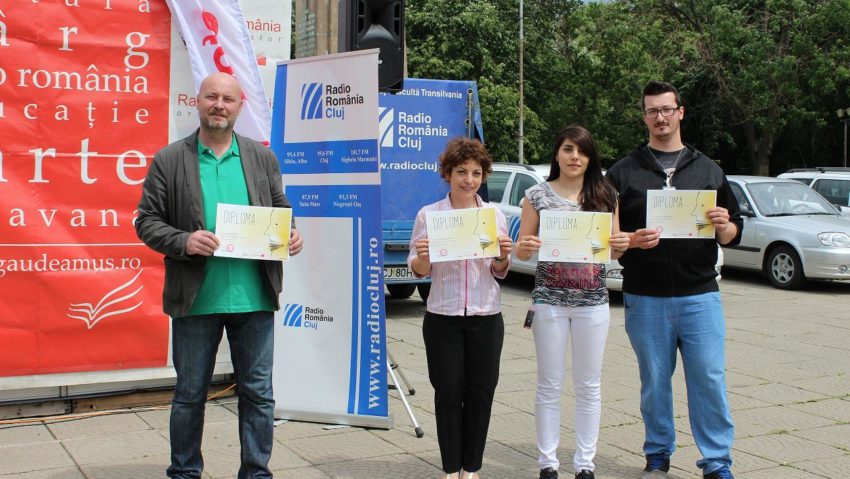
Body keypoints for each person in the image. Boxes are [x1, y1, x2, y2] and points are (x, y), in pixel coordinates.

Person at [135, 72, 303, 479]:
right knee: (190, 396)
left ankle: (256, 473)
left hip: (255, 297)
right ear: (198, 101)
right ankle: (185, 472)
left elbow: (280, 208)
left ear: (240, 106)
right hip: (197, 298)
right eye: (212, 97)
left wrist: (291, 233)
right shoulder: (171, 159)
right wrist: (184, 240)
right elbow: (146, 221)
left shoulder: (261, 158)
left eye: (228, 99)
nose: (219, 105)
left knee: (259, 395)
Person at [605, 81, 742, 479]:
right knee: (654, 384)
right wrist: (631, 239)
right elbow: (608, 243)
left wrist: (724, 225)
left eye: (667, 109)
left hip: (699, 294)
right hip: (644, 297)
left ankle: (716, 462)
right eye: (652, 111)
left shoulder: (708, 169)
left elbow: (733, 232)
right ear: (644, 116)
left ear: (681, 112)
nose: (660, 117)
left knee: (710, 381)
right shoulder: (622, 172)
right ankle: (658, 454)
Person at [514, 125, 630, 479]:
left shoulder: (606, 195)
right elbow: (522, 246)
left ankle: (585, 464)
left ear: (591, 157)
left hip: (592, 302)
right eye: (567, 149)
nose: (574, 157)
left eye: (581, 151)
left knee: (588, 384)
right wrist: (525, 247)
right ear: (557, 154)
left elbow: (612, 249)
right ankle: (548, 462)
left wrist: (621, 245)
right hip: (549, 301)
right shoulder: (536, 196)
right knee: (548, 384)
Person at [407, 137, 512, 479]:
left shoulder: (493, 215)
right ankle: (451, 469)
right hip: (443, 317)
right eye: (461, 172)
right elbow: (420, 270)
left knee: (481, 394)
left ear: (484, 176)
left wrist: (502, 255)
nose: (469, 179)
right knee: (448, 393)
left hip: (486, 315)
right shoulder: (430, 216)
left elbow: (499, 271)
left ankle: (472, 469)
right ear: (448, 174)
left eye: (476, 173)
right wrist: (423, 256)